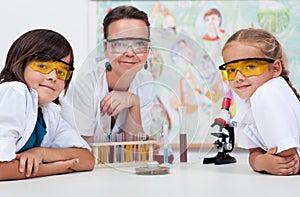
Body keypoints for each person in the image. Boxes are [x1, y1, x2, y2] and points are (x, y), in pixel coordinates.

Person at [0, 29, 95, 181]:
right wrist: (52, 168)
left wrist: (41, 153)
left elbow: (87, 159)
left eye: (62, 71)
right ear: (20, 62)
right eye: (43, 66)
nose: (53, 77)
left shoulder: (48, 111)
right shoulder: (15, 92)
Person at [60, 5, 154, 143]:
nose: (129, 53)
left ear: (148, 49)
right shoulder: (84, 77)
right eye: (120, 43)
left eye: (139, 44)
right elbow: (84, 150)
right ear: (105, 48)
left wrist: (133, 102)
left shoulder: (145, 80)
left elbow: (134, 150)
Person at [219, 28, 300, 175]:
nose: (238, 78)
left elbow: (288, 160)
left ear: (275, 68)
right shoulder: (247, 99)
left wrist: (267, 162)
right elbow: (254, 153)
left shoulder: (265, 93)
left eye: (249, 67)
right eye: (231, 70)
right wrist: (263, 162)